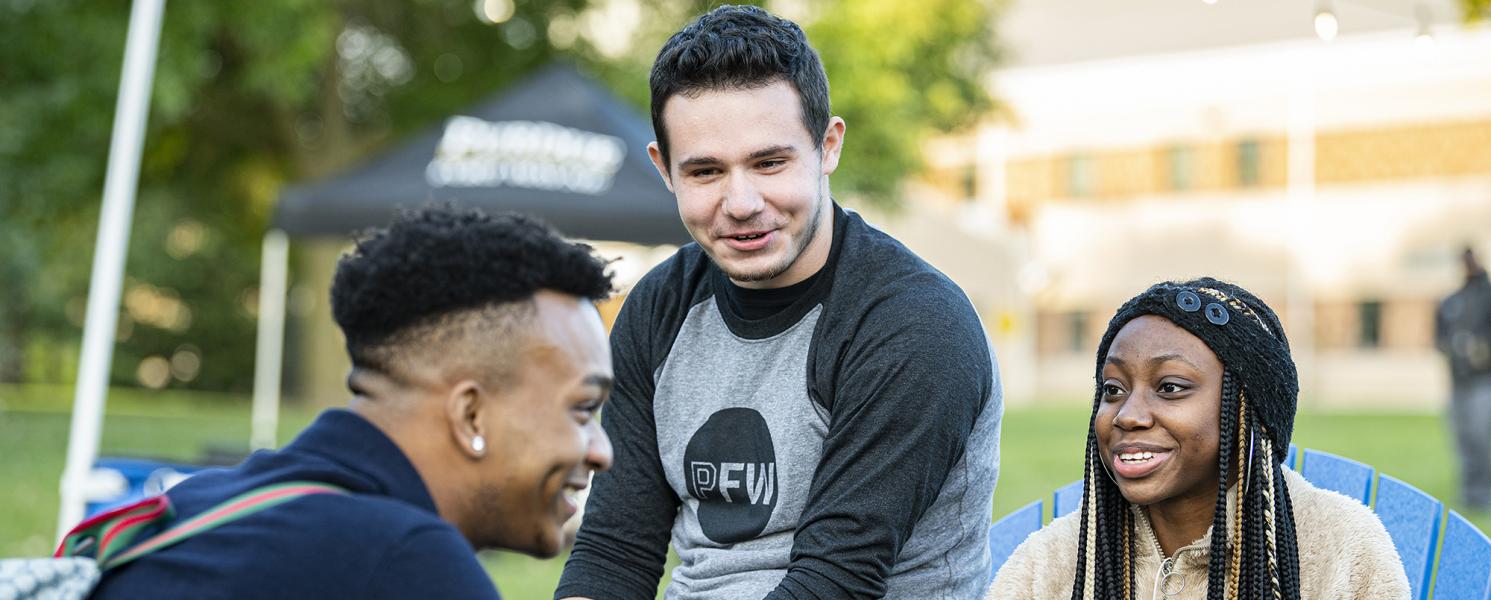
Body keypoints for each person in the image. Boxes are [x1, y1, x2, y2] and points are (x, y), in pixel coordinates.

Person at [554, 5, 1001, 599]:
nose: (740, 202)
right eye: (706, 171)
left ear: (828, 146)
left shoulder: (914, 325)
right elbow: (615, 551)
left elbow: (836, 581)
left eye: (769, 163)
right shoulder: (657, 309)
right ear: (665, 171)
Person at [92, 206, 616, 599]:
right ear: (470, 413)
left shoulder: (192, 509)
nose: (601, 451)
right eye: (582, 409)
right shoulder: (405, 563)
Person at [988, 278, 1409, 599]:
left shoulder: (1339, 549)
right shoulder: (1051, 564)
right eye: (1113, 390)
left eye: (1170, 387)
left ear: (1249, 409)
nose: (1128, 415)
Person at [1436, 246, 1491, 511]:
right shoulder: (1452, 301)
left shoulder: (1487, 297)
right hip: (1458, 381)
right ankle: (1470, 493)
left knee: (1483, 437)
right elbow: (1439, 338)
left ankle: (1485, 492)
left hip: (1483, 381)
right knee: (1463, 437)